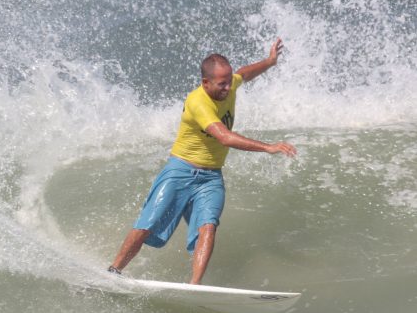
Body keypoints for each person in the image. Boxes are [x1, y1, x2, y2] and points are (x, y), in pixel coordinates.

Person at [108, 38, 297, 284]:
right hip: (181, 170)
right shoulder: (198, 102)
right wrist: (268, 147)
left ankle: (194, 286)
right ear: (205, 82)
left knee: (208, 227)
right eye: (221, 84)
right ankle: (114, 271)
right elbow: (224, 137)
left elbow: (243, 74)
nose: (228, 88)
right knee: (148, 224)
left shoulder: (229, 84)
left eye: (229, 82)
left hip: (211, 177)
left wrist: (270, 62)